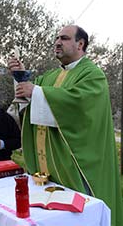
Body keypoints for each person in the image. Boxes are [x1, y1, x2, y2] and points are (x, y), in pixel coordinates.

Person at [7, 25, 123, 226]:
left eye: (64, 38)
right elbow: (29, 102)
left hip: (77, 165)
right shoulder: (49, 77)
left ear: (80, 44)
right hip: (50, 166)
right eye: (57, 38)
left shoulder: (92, 75)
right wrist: (20, 77)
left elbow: (78, 106)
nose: (57, 42)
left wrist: (36, 91)